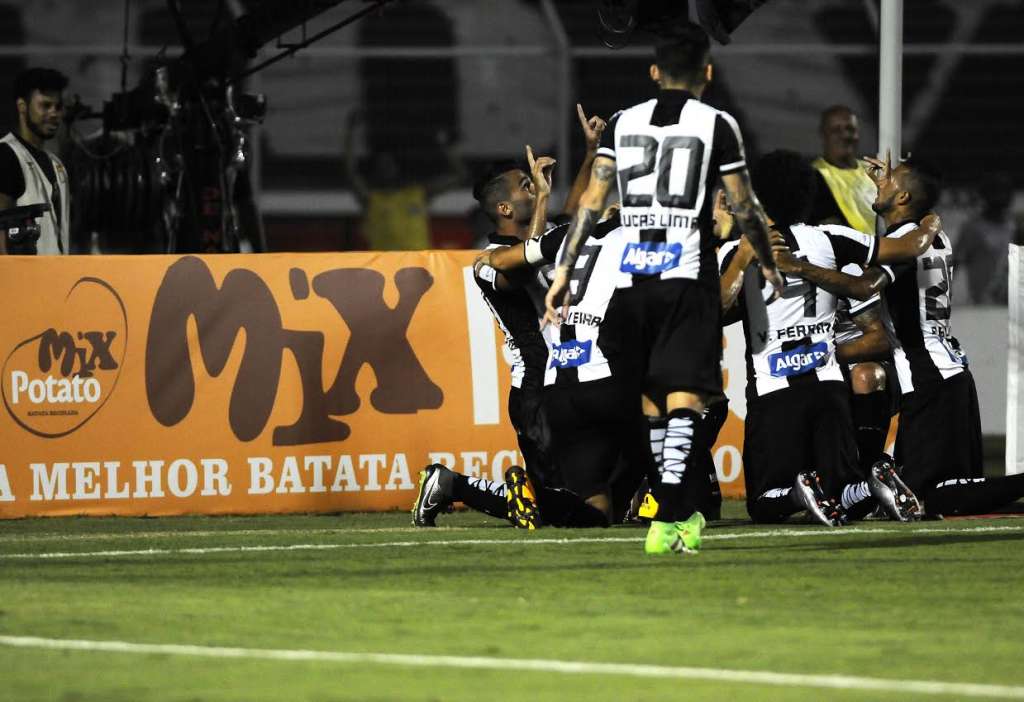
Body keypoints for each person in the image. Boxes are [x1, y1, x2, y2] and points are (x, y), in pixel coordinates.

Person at [545, 24, 786, 556]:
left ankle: (669, 516)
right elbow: (743, 205)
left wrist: (563, 271)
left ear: (654, 72)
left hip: (631, 280)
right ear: (707, 71)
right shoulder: (718, 124)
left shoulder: (624, 122)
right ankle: (674, 513)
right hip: (685, 274)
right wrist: (766, 262)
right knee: (688, 396)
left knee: (653, 400)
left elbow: (590, 200)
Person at [773, 155, 1024, 516]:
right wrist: (886, 188)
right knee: (921, 489)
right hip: (946, 372)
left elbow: (865, 286)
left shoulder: (906, 240)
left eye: (892, 180)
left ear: (904, 198)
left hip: (928, 376)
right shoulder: (932, 234)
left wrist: (801, 267)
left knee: (932, 498)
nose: (882, 181)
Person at [719, 150, 922, 526]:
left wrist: (738, 253)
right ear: (806, 194)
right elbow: (907, 246)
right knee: (842, 492)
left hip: (774, 392)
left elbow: (715, 310)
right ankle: (871, 484)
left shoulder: (739, 250)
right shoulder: (830, 239)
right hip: (828, 390)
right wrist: (928, 221)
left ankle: (797, 492)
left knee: (763, 502)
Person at [809, 104, 896, 473]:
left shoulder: (865, 177)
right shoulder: (816, 175)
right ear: (824, 134)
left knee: (880, 370)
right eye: (838, 129)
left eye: (851, 129)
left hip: (871, 282)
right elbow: (826, 226)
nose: (847, 135)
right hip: (840, 281)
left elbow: (886, 232)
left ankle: (873, 469)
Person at [342, 109, 465, 251]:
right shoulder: (372, 200)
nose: (386, 168)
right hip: (388, 267)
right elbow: (351, 172)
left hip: (419, 264)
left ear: (397, 168)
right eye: (381, 165)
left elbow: (459, 176)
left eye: (389, 164)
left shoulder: (417, 194)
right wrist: (349, 133)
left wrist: (447, 147)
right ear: (375, 172)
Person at [0, 67, 70, 256]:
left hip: (60, 281)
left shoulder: (57, 164)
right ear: (22, 106)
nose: (54, 113)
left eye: (58, 107)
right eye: (45, 106)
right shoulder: (7, 155)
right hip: (23, 282)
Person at [955, 173, 1015, 305]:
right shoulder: (973, 228)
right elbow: (954, 264)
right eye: (996, 193)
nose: (1001, 198)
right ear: (985, 196)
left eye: (1004, 193)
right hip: (984, 307)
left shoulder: (1013, 227)